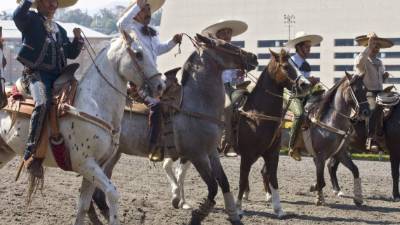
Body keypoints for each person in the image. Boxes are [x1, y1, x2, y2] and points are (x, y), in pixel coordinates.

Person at [13, 0, 84, 177]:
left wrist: (78, 39)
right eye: (48, 0)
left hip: (60, 77)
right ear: (39, 3)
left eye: (55, 1)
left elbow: (71, 53)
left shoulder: (60, 29)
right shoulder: (29, 19)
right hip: (36, 75)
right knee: (42, 104)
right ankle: (31, 155)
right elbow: (17, 16)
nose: (53, 4)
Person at [117, 0, 182, 162]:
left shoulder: (152, 32)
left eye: (149, 9)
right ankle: (153, 146)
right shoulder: (129, 29)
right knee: (157, 104)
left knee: (178, 94)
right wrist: (137, 5)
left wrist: (173, 42)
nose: (149, 12)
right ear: (136, 12)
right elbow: (120, 22)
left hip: (153, 79)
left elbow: (159, 50)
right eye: (145, 9)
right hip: (138, 82)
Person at [201, 20, 249, 157]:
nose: (228, 35)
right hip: (217, 87)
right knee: (227, 107)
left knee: (247, 104)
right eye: (224, 32)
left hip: (232, 87)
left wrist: (240, 74)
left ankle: (243, 141)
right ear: (218, 35)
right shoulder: (212, 51)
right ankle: (225, 144)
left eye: (229, 32)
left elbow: (235, 77)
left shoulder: (235, 52)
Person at [284, 31, 323, 161]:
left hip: (303, 95)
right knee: (300, 114)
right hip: (290, 94)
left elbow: (305, 85)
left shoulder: (306, 65)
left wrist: (312, 83)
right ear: (298, 47)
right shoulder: (290, 61)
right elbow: (290, 81)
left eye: (309, 47)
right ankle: (292, 147)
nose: (308, 50)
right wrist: (308, 81)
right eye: (306, 47)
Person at [354, 33, 393, 151]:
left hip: (380, 92)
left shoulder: (380, 62)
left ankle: (389, 135)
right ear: (368, 45)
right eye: (374, 45)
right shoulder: (362, 59)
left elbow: (379, 78)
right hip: (367, 93)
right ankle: (371, 139)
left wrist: (384, 76)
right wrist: (369, 47)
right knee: (373, 108)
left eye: (377, 46)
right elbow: (358, 64)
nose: (376, 48)